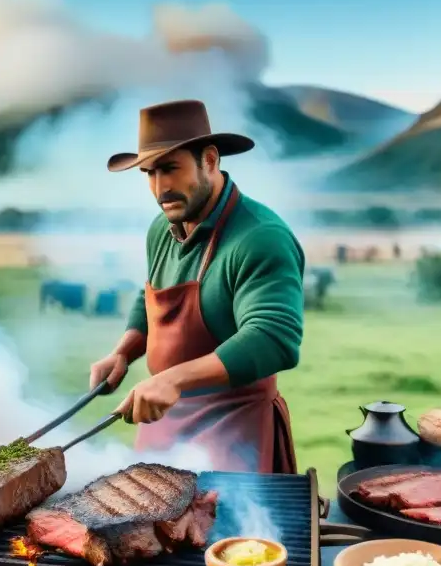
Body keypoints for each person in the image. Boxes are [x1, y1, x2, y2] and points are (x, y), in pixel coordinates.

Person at [88, 99, 305, 473]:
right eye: (149, 173)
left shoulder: (261, 237)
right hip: (164, 423)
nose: (160, 188)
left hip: (234, 433)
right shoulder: (163, 227)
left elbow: (274, 338)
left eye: (170, 169)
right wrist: (124, 351)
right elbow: (151, 294)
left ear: (209, 159)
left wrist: (173, 378)